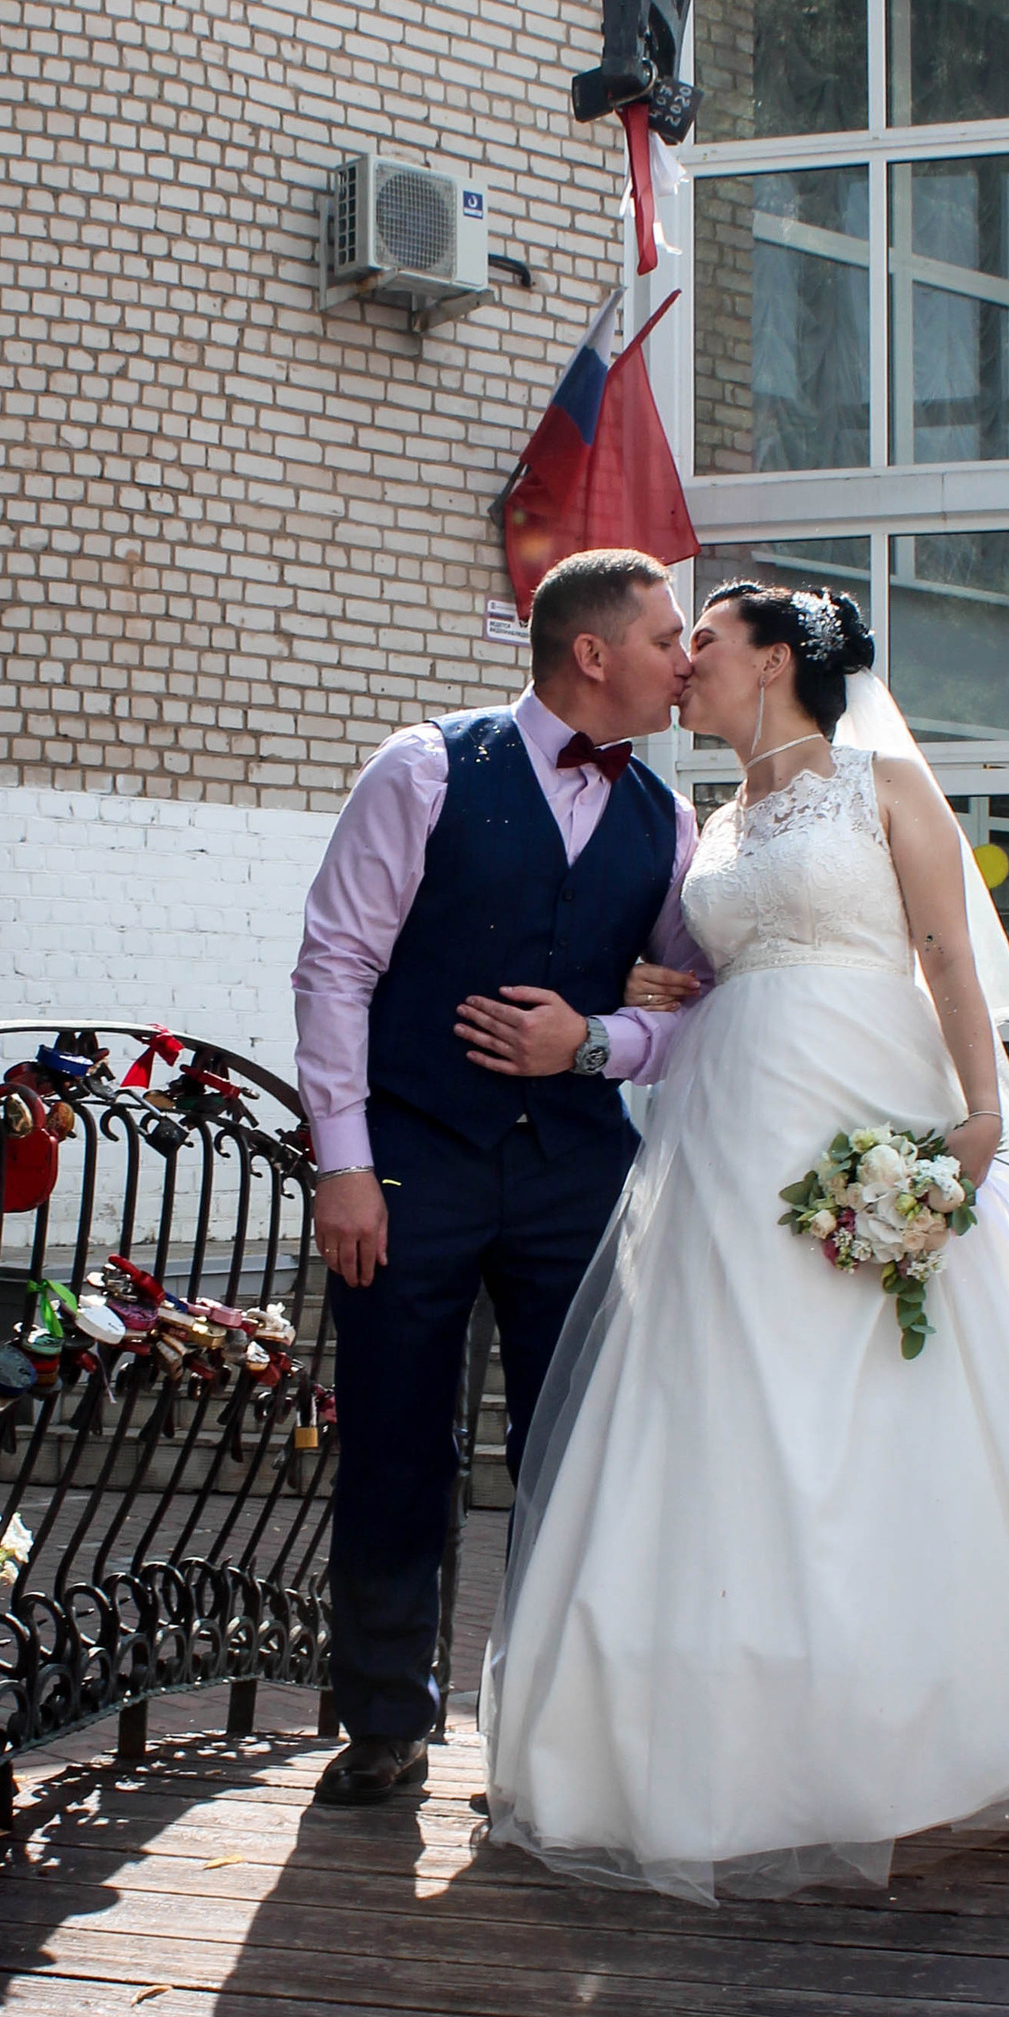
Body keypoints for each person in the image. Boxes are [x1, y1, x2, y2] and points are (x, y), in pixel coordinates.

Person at [479, 582, 1009, 1901]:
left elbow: (947, 956)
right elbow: (709, 967)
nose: (687, 663)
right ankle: (714, 1738)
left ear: (775, 661)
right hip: (727, 1127)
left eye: (705, 641)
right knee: (720, 1393)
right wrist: (667, 988)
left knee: (889, 1384)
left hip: (863, 1100)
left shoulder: (885, 785)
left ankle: (920, 1735)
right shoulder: (709, 825)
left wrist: (981, 1116)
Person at [291, 547, 705, 1809]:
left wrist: (598, 1042)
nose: (685, 660)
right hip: (411, 1167)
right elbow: (334, 968)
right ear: (593, 653)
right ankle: (381, 1721)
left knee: (573, 1454)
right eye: (665, 637)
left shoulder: (666, 819)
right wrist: (345, 1165)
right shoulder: (423, 768)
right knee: (395, 1446)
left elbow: (701, 1005)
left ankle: (540, 1734)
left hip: (579, 1175)